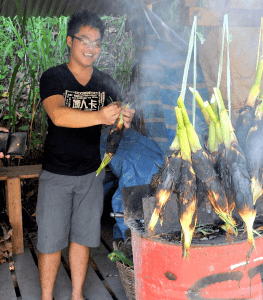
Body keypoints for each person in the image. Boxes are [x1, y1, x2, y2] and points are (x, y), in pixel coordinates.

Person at [37, 10, 134, 300]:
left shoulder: (104, 82)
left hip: (92, 174)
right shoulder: (54, 76)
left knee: (83, 238)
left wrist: (121, 117)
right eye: (85, 40)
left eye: (97, 42)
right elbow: (58, 115)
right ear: (70, 41)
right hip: (57, 173)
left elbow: (117, 116)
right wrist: (100, 114)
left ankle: (77, 294)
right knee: (50, 241)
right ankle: (46, 297)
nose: (92, 48)